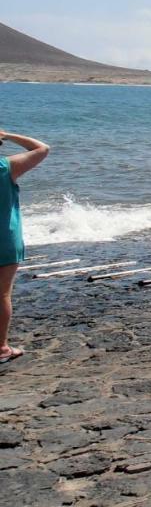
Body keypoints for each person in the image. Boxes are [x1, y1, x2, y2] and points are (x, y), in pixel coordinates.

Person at [0, 130, 50, 364]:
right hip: (5, 238)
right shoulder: (6, 167)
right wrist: (8, 134)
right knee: (2, 294)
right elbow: (41, 148)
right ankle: (1, 348)